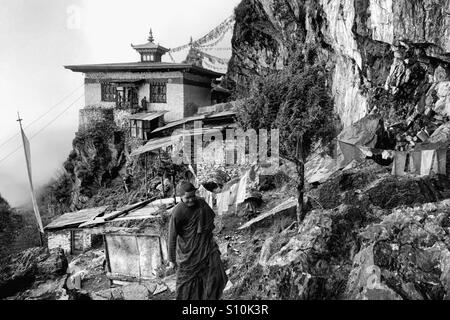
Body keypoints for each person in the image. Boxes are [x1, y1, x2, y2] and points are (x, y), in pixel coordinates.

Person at [168, 181, 228, 300]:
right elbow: (172, 237)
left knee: (217, 276)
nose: (191, 200)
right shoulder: (177, 212)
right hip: (188, 254)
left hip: (206, 247)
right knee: (186, 285)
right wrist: (171, 260)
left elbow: (210, 217)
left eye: (193, 196)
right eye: (187, 198)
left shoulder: (201, 202)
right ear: (181, 197)